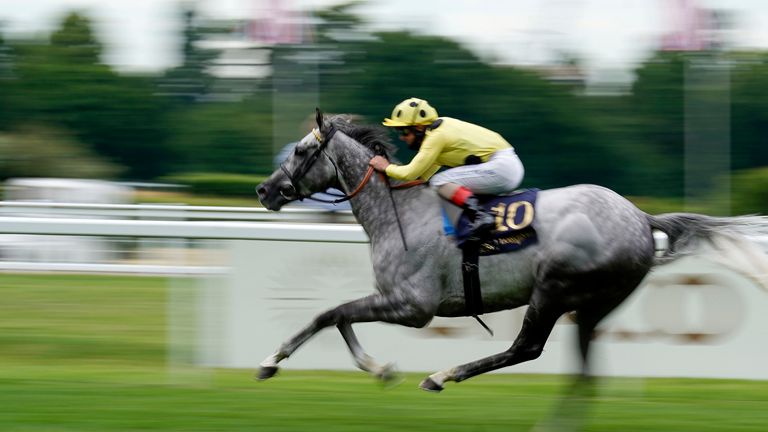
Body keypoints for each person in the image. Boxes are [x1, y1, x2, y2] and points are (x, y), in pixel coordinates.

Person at [369, 97, 524, 240]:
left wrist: (386, 167)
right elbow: (421, 178)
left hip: (502, 167)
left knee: (440, 181)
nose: (401, 137)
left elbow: (410, 173)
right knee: (438, 183)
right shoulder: (438, 131)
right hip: (505, 166)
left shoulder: (436, 136)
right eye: (398, 132)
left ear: (419, 127)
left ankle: (481, 216)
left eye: (404, 131)